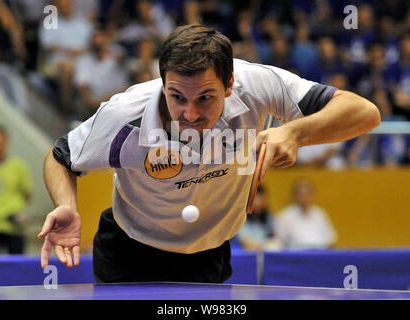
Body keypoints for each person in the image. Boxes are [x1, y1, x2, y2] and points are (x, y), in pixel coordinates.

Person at [38, 24, 380, 283]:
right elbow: (60, 157)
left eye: (205, 97)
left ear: (229, 85)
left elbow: (364, 112)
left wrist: (294, 131)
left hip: (209, 252)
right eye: (177, 97)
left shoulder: (257, 85)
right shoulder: (123, 116)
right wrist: (66, 205)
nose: (189, 113)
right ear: (162, 83)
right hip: (130, 251)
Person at [0, 126, 32, 254]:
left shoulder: (18, 166)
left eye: (0, 142)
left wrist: (18, 210)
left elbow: (27, 194)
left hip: (13, 225)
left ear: (6, 142)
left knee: (17, 266)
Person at [274, 179, 337, 250]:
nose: (304, 198)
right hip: (295, 255)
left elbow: (330, 241)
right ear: (294, 196)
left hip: (320, 254)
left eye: (307, 194)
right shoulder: (285, 215)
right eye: (300, 194)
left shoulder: (320, 214)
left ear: (312, 195)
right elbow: (278, 241)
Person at [236, 185, 276, 250]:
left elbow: (278, 240)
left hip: (267, 256)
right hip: (247, 257)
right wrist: (268, 246)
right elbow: (248, 245)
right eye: (256, 200)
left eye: (262, 199)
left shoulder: (269, 216)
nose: (258, 204)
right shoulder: (240, 219)